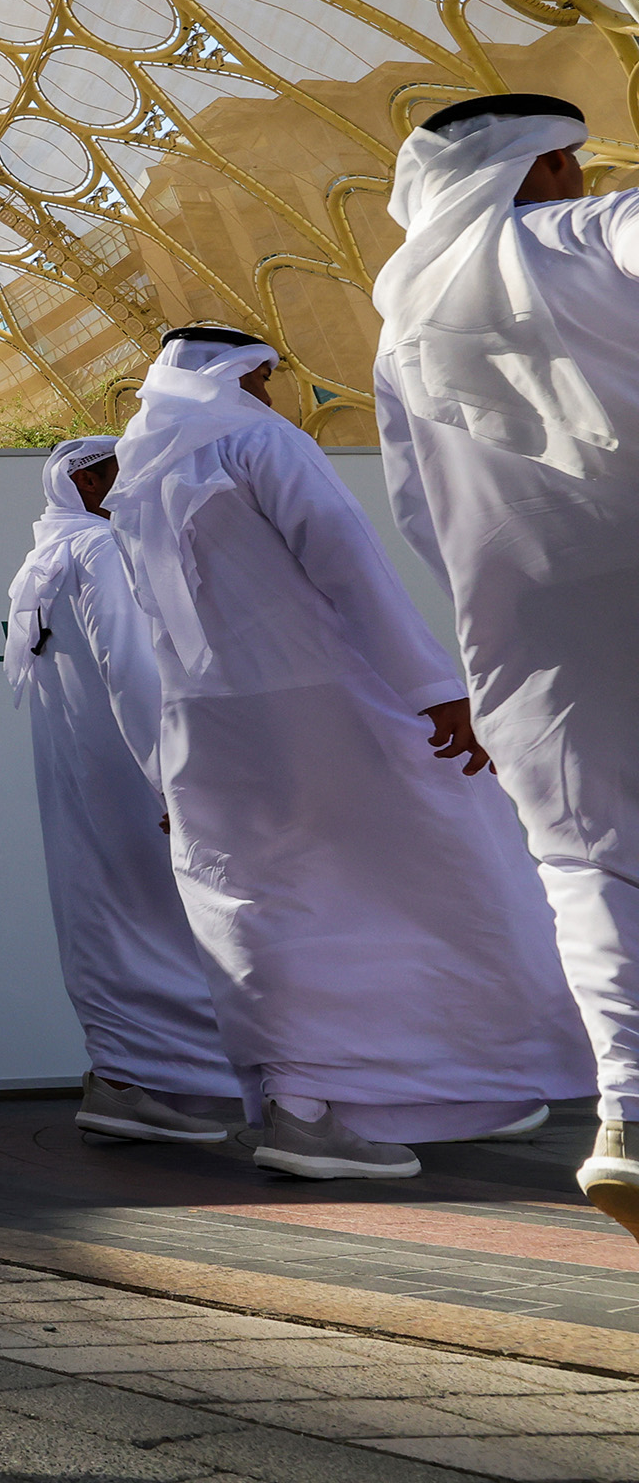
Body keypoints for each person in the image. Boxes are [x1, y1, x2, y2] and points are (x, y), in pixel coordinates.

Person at [111, 322, 588, 1179]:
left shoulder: (139, 475)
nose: (270, 392)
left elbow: (151, 642)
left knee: (268, 910)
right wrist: (436, 691)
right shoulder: (258, 439)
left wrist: (161, 765)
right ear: (243, 373)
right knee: (455, 873)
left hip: (209, 730)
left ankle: (335, 1104)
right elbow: (350, 564)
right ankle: (411, 1088)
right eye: (266, 376)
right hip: (325, 707)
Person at [367, 93, 639, 1235]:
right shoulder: (585, 232)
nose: (578, 180)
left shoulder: (398, 321)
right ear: (537, 167)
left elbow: (415, 509)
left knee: (593, 858)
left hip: (529, 612)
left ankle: (628, 1111)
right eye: (567, 162)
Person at [6, 436, 238, 1144]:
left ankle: (137, 1076)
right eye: (118, 473)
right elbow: (132, 670)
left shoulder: (44, 558)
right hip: (135, 774)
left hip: (89, 778)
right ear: (86, 481)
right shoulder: (99, 551)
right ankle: (131, 1081)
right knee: (152, 916)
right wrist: (172, 778)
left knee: (112, 919)